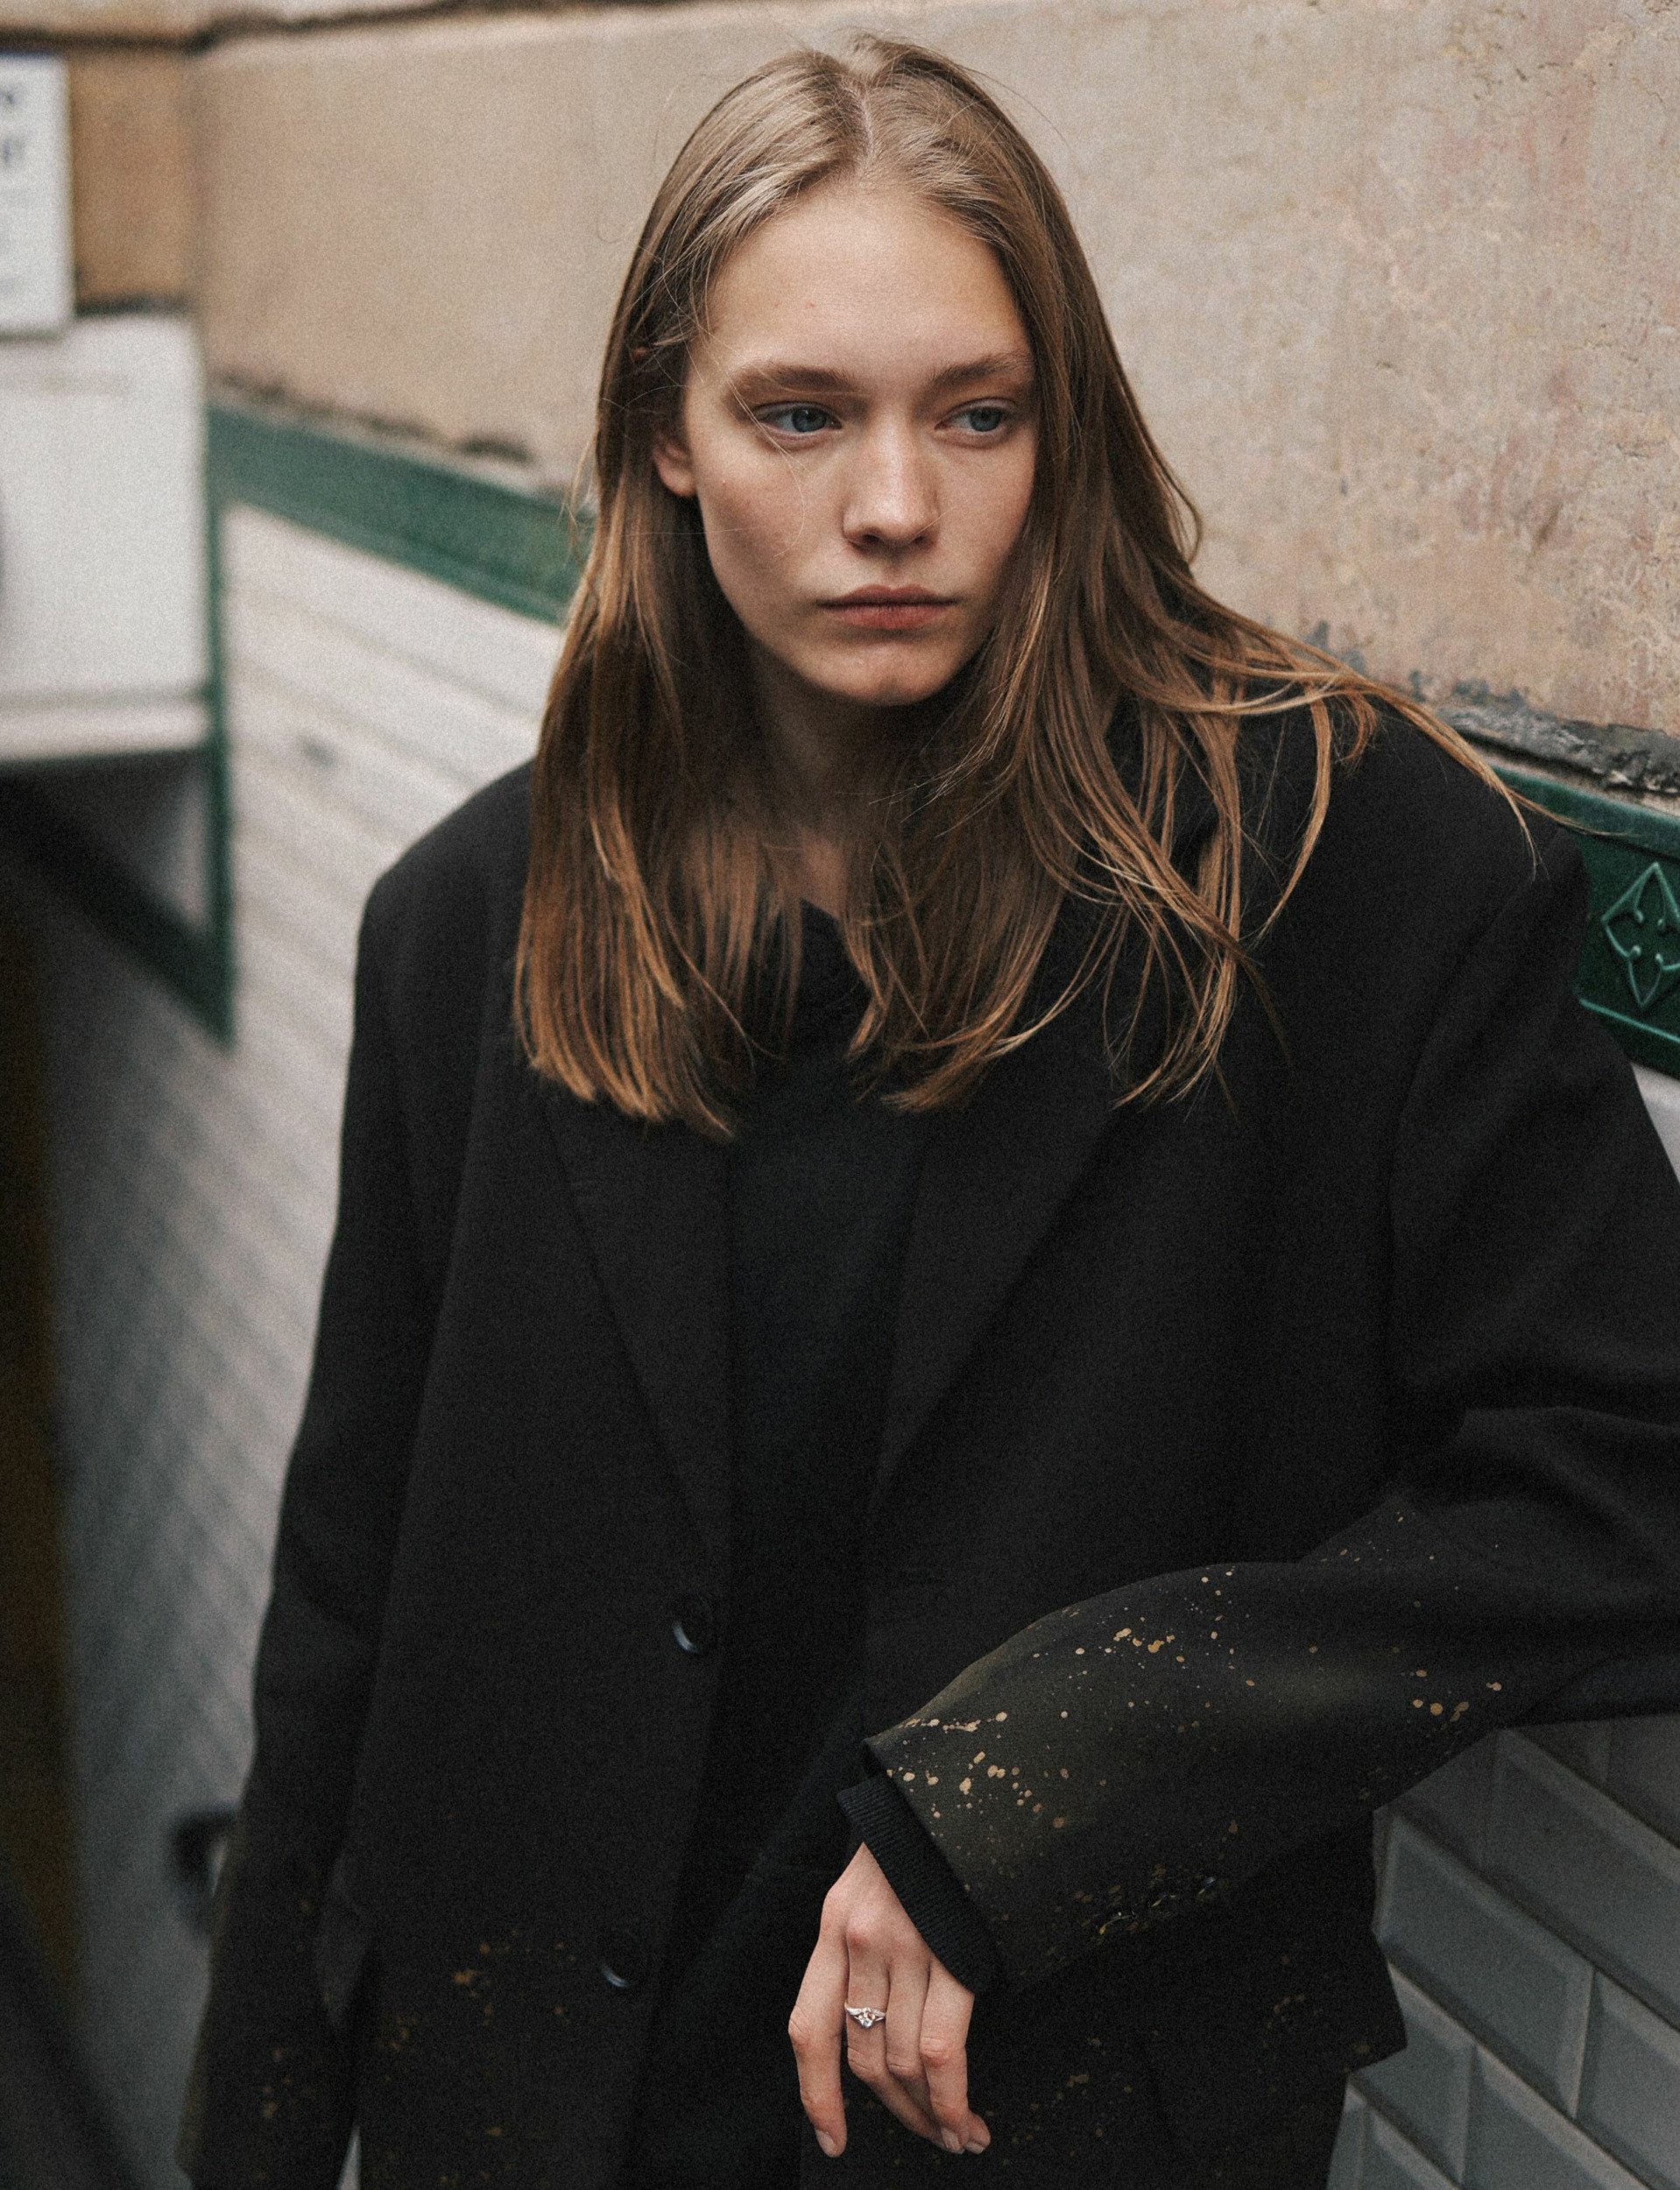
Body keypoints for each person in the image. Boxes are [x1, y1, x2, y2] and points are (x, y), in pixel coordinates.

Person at [178, 35, 1680, 2190]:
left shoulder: (1332, 866)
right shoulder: (472, 922)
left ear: (1063, 429)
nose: (894, 505)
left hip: (1038, 2112)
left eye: (977, 413)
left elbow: (1627, 1475)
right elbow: (349, 1595)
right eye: (798, 414)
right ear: (665, 435)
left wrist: (1030, 1788)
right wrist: (255, 2124)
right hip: (536, 2103)